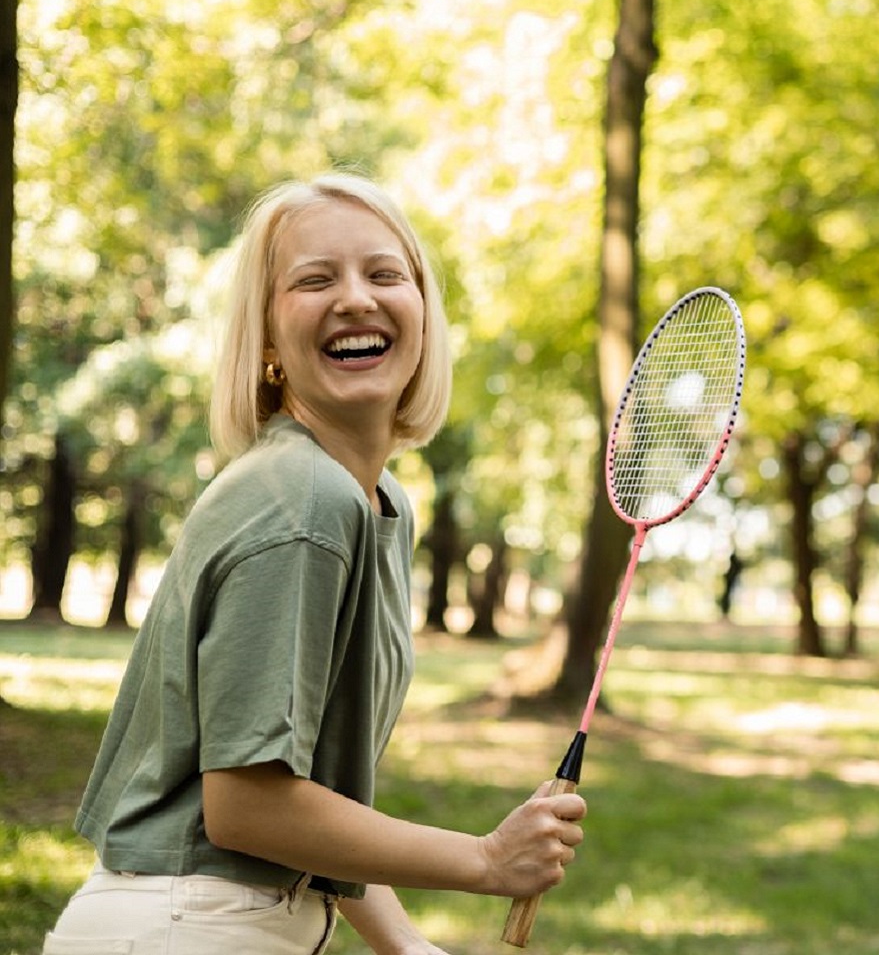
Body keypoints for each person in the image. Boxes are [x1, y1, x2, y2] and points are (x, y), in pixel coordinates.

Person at [45, 173, 586, 954]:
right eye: (315, 279)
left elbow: (314, 794)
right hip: (186, 927)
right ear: (266, 337)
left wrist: (402, 941)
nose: (357, 299)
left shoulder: (368, 500)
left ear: (425, 316)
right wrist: (485, 860)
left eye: (385, 273)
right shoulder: (303, 503)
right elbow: (249, 807)